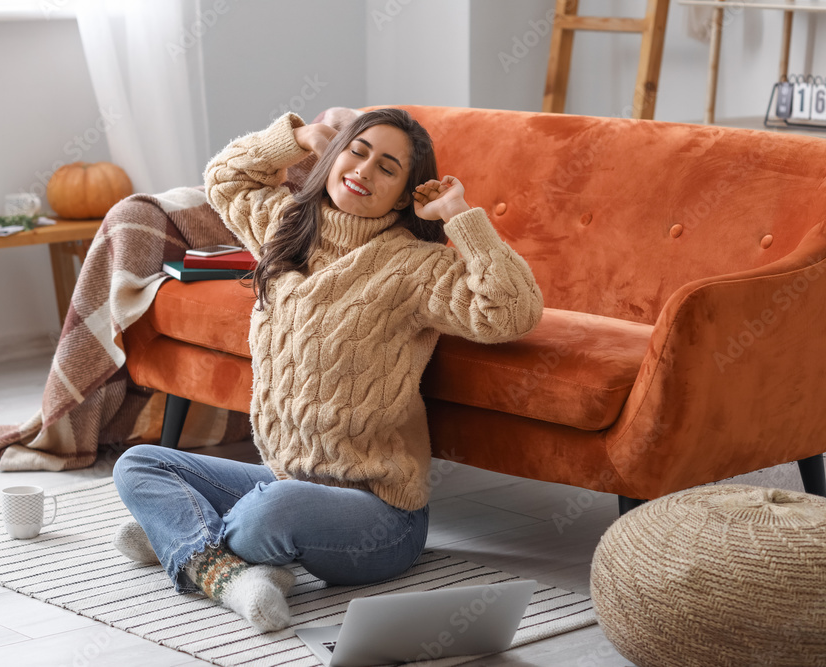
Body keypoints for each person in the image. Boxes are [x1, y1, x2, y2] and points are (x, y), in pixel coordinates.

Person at [110, 108, 544, 632]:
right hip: (284, 478)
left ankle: (182, 542)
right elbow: (225, 177)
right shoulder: (284, 227)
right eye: (356, 151)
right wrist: (296, 137)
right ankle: (226, 566)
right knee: (139, 464)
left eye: (388, 168)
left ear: (406, 195)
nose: (363, 170)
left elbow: (512, 311)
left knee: (275, 509)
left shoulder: (415, 267)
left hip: (378, 517)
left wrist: (461, 217)